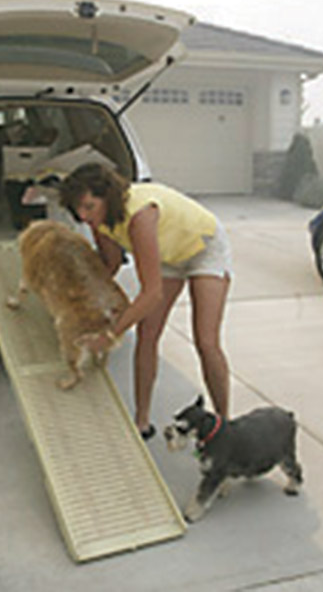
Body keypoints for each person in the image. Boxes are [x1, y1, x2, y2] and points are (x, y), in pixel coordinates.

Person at [59, 163, 232, 439]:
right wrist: (77, 301)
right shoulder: (100, 220)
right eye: (77, 209)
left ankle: (225, 426)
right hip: (167, 254)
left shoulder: (140, 216)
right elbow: (110, 265)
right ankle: (141, 422)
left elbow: (152, 295)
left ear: (108, 196)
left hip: (203, 246)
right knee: (147, 334)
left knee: (206, 341)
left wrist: (110, 334)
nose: (83, 215)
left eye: (89, 206)